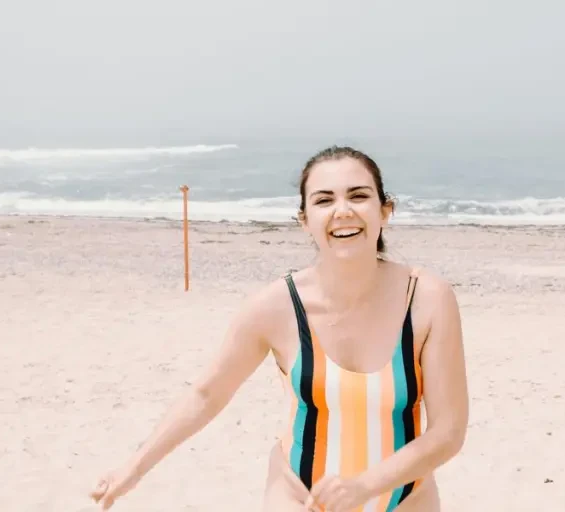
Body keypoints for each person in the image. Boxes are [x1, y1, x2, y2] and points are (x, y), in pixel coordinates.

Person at [90, 146, 469, 511]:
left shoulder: (427, 299)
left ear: (385, 210)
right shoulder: (275, 306)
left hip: (406, 501)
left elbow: (448, 432)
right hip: (298, 497)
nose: (342, 211)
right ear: (305, 221)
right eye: (323, 200)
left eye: (358, 196)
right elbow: (207, 396)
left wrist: (364, 486)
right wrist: (133, 468)